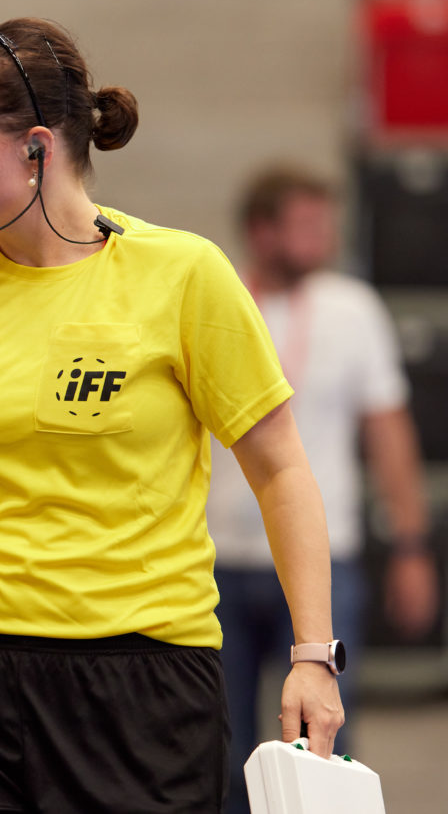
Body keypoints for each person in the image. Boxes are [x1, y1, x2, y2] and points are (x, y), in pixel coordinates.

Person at [0, 18, 343, 812]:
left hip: (137, 692)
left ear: (35, 147)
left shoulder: (183, 275)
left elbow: (281, 469)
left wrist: (313, 655)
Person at [209, 163, 438, 814]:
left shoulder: (352, 309)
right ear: (261, 229)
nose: (322, 237)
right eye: (305, 224)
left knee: (323, 742)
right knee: (215, 744)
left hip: (321, 559)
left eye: (324, 222)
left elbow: (389, 433)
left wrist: (412, 543)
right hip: (215, 559)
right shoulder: (220, 304)